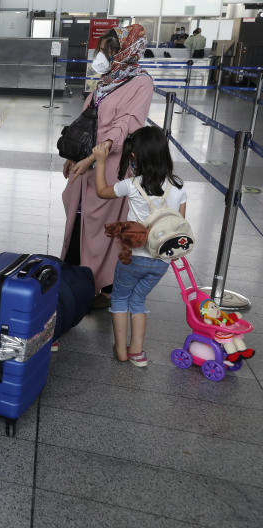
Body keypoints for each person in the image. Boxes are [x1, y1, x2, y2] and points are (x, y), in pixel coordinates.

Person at [61, 24, 153, 307]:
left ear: (126, 51)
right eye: (101, 51)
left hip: (109, 166)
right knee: (78, 219)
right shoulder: (107, 79)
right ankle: (77, 281)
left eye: (108, 52)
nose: (102, 57)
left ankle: (100, 286)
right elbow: (88, 118)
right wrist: (74, 153)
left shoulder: (140, 82)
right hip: (86, 162)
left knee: (102, 228)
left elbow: (126, 125)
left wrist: (93, 158)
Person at [90, 126, 186, 366]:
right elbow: (180, 224)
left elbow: (102, 191)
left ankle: (121, 350)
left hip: (133, 256)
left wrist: (101, 161)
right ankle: (138, 352)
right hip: (161, 260)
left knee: (120, 299)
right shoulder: (179, 186)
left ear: (135, 157)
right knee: (139, 302)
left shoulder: (132, 185)